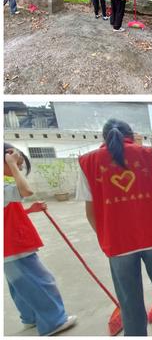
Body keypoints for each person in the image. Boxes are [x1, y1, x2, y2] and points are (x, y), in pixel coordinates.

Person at [76, 119, 152, 336]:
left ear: (105, 138)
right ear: (130, 134)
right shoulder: (148, 155)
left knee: (129, 303)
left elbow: (90, 213)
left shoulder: (88, 162)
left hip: (118, 245)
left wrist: (105, 237)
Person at [4, 143, 77, 336]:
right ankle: (53, 322)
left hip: (9, 248)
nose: (19, 168)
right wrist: (11, 164)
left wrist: (29, 210)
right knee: (41, 283)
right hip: (14, 247)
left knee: (20, 286)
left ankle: (30, 318)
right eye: (17, 164)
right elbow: (26, 191)